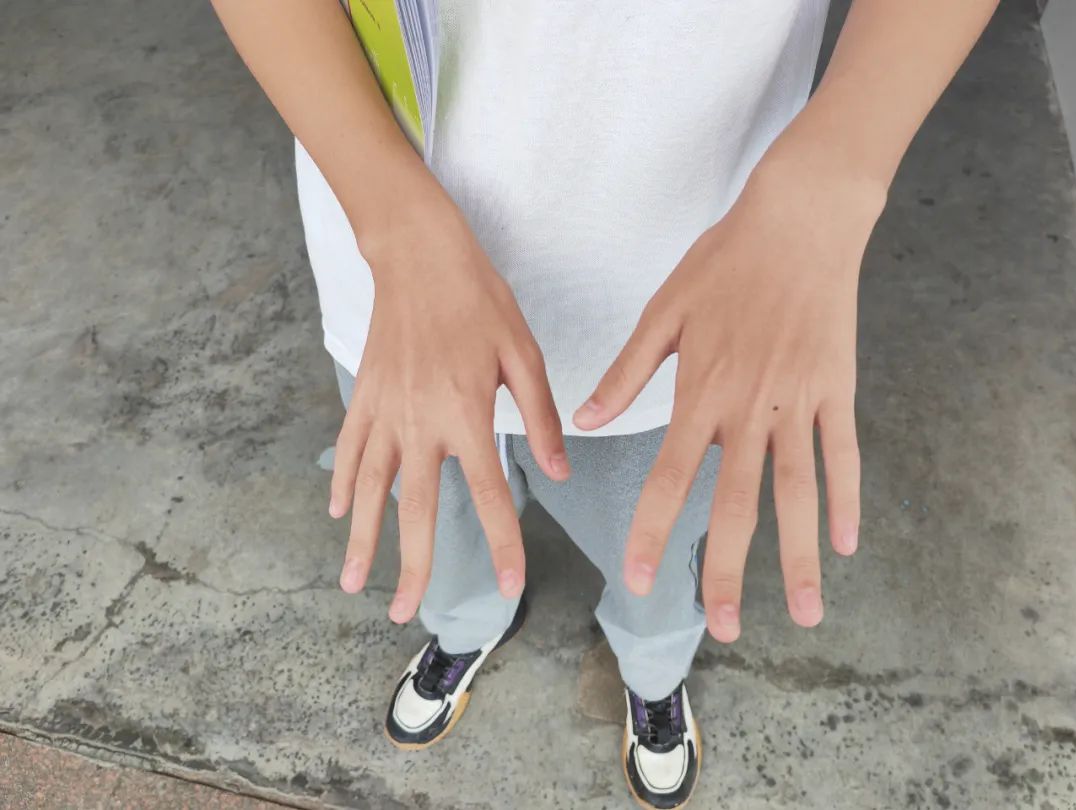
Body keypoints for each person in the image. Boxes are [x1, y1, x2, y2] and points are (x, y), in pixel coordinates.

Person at [210, 1, 998, 806]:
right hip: (393, 271)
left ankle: (653, 673)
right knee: (441, 528)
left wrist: (839, 170)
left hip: (677, 292)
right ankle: (468, 626)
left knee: (650, 554)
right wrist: (393, 227)